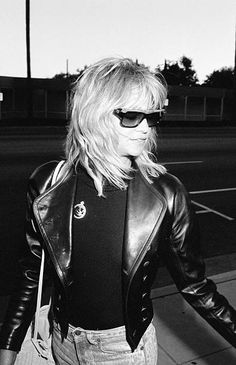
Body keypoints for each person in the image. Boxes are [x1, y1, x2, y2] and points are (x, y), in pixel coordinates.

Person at [0, 57, 236, 365]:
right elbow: (31, 272)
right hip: (60, 341)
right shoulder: (48, 183)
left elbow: (196, 287)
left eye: (152, 117)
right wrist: (9, 344)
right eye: (131, 116)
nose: (144, 128)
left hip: (121, 351)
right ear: (93, 115)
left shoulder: (164, 193)